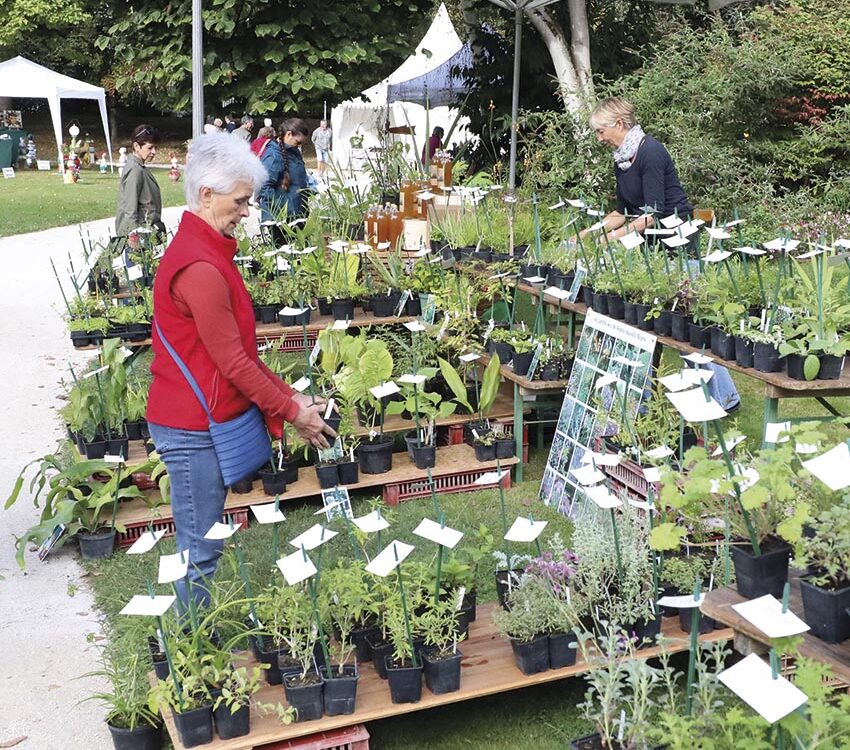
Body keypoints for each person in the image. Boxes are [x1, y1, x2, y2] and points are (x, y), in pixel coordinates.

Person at [147, 133, 335, 605]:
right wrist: (293, 412)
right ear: (206, 195)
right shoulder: (201, 267)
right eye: (241, 201)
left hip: (198, 418)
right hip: (191, 426)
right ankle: (190, 663)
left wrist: (291, 399)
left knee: (203, 545)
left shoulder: (208, 252)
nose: (248, 211)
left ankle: (192, 654)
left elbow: (238, 357)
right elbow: (233, 363)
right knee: (200, 549)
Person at [586, 96, 739, 411]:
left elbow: (652, 213)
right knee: (646, 326)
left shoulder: (651, 153)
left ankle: (724, 398)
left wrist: (614, 238)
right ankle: (637, 402)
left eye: (601, 131)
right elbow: (622, 211)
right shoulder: (622, 159)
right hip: (652, 252)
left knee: (687, 329)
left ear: (619, 124)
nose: (599, 138)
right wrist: (589, 233)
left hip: (677, 247)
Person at [257, 118, 311, 231]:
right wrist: (285, 209)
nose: (299, 146)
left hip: (297, 214)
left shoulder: (292, 151)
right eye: (298, 142)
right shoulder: (273, 155)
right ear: (289, 134)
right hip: (282, 219)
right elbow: (264, 187)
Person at [115, 124, 164, 236]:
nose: (154, 152)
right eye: (150, 148)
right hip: (138, 237)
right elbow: (129, 210)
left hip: (147, 233)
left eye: (155, 148)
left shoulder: (140, 167)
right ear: (136, 146)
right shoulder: (135, 170)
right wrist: (134, 238)